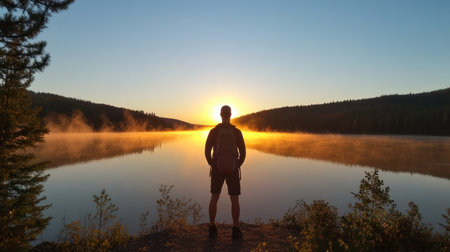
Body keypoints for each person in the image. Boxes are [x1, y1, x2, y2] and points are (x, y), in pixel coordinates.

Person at [205, 105, 246, 239]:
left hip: (217, 168)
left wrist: (213, 163)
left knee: (214, 197)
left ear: (221, 115)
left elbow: (206, 151)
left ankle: (212, 227)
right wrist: (236, 164)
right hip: (233, 168)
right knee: (234, 199)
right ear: (230, 115)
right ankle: (235, 228)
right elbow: (243, 153)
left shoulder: (214, 131)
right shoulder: (237, 132)